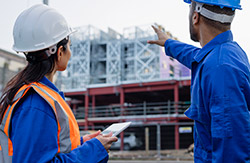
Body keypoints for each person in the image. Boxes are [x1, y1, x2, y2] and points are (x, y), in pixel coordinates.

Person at [0, 4, 117, 163]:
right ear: (60, 51)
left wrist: (83, 143)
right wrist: (93, 150)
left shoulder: (37, 96)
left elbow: (46, 148)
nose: (70, 51)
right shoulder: (36, 104)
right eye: (69, 45)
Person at [148, 0, 250, 162]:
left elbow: (230, 151)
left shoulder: (220, 69)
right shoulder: (226, 53)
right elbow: (196, 57)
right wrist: (168, 43)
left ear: (195, 17)